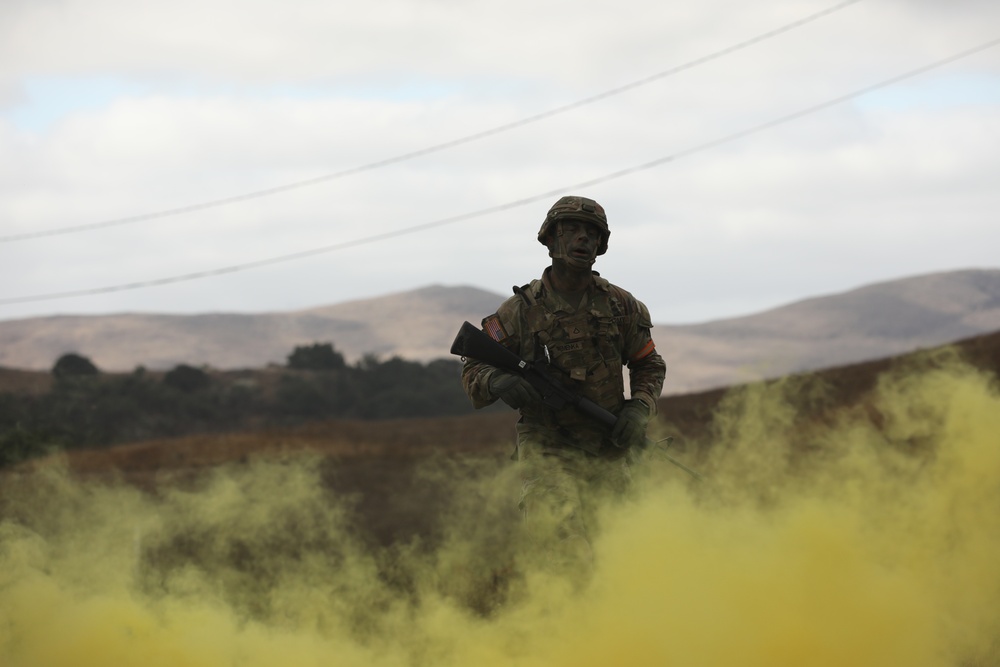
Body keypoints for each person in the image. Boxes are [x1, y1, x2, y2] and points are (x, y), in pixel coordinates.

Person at [460, 195, 666, 577]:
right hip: (548, 450)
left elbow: (648, 363)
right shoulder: (519, 311)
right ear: (550, 240)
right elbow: (473, 368)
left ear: (601, 246)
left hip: (609, 446)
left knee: (623, 561)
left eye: (591, 233)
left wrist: (639, 406)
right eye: (570, 230)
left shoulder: (622, 305)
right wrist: (499, 380)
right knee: (562, 554)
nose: (582, 239)